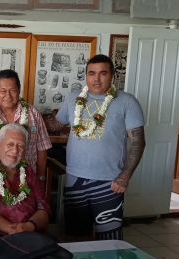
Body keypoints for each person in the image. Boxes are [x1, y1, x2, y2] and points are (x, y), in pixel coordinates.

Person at [55, 54, 145, 241]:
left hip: (109, 182)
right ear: (86, 76)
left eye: (102, 73)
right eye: (91, 73)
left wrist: (125, 176)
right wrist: (25, 114)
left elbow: (138, 141)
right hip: (75, 178)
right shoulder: (74, 98)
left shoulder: (127, 101)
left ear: (112, 76)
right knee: (74, 237)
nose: (96, 78)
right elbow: (56, 125)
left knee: (109, 239)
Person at [0, 124, 50, 245]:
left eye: (20, 146)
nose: (15, 150)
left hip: (29, 232)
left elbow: (44, 209)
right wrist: (14, 231)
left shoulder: (28, 170)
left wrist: (28, 226)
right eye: (10, 144)